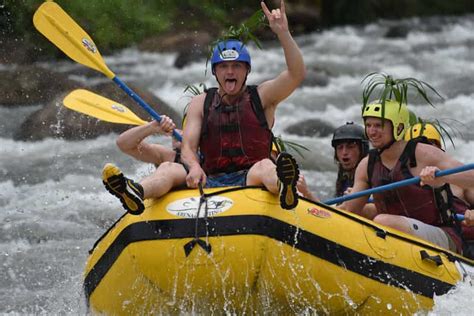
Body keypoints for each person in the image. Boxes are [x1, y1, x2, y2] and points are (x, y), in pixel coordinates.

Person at [102, 0, 305, 214]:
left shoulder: (263, 96)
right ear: (215, 72)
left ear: (247, 71)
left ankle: (284, 186)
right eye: (224, 67)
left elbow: (296, 74)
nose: (230, 72)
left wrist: (283, 33)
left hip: (250, 177)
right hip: (208, 178)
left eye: (237, 66)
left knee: (266, 167)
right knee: (169, 168)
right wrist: (195, 166)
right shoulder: (201, 101)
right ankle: (137, 191)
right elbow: (188, 147)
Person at [339, 100, 474, 254]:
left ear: (399, 127)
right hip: (396, 232)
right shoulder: (366, 165)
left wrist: (441, 177)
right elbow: (350, 210)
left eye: (378, 125)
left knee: (383, 220)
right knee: (372, 217)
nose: (371, 132)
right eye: (368, 125)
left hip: (443, 236)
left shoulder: (424, 154)